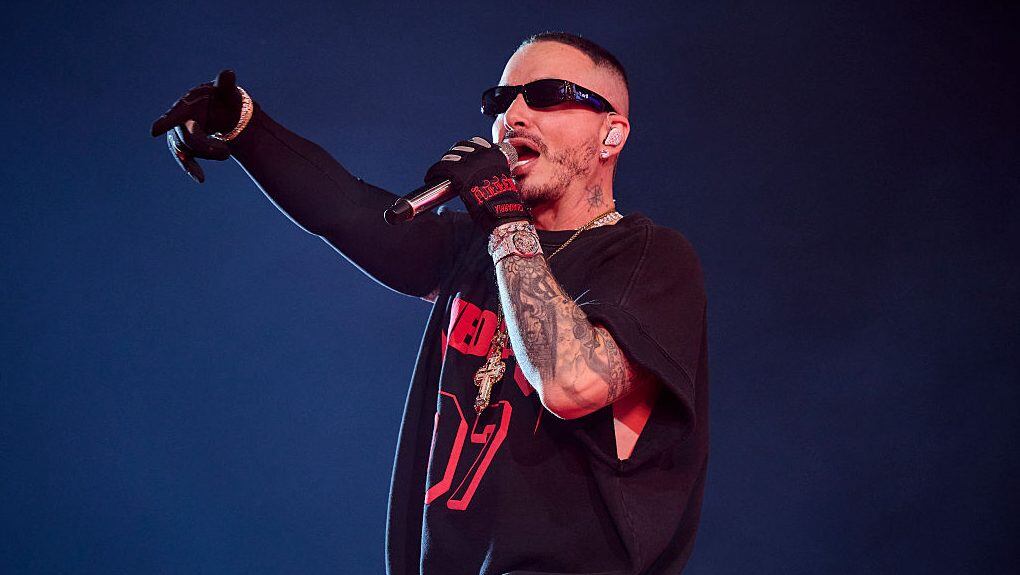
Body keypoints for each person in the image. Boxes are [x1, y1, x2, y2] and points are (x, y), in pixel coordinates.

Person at [151, 32, 708, 575]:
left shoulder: (650, 256)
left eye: (545, 95)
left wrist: (504, 219)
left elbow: (571, 383)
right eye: (501, 100)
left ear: (611, 135)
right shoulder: (476, 247)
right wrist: (246, 128)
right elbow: (345, 210)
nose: (512, 116)